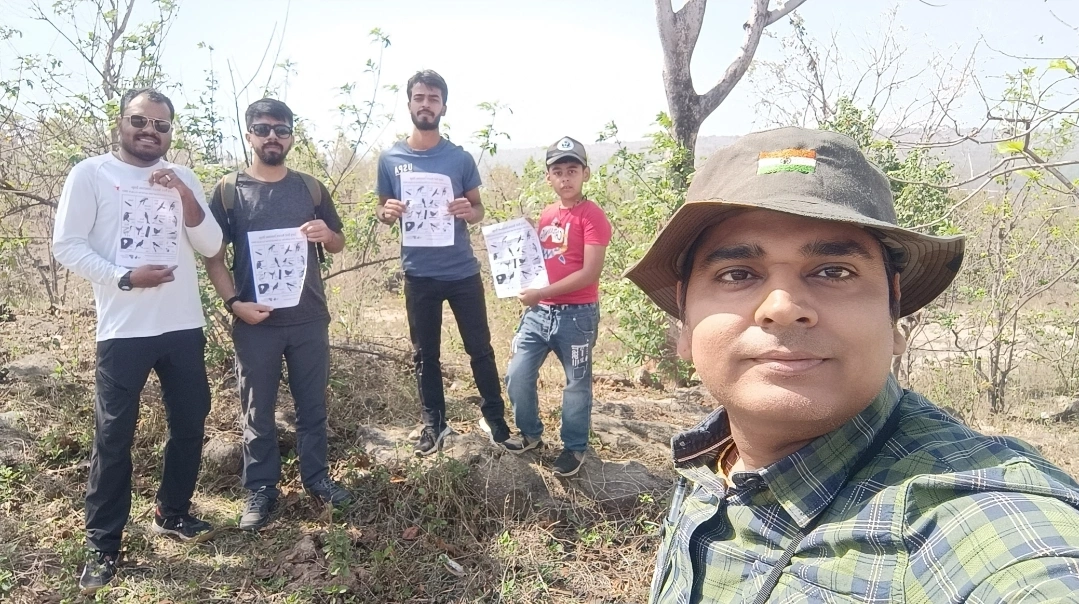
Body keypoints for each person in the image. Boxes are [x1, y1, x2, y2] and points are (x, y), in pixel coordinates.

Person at [624, 127, 1079, 602]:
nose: (782, 307)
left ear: (893, 312)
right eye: (736, 274)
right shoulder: (712, 458)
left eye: (833, 271)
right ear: (685, 323)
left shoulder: (971, 515)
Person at [53, 88, 223, 594]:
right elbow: (66, 245)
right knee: (113, 437)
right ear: (121, 123)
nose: (150, 131)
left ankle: (172, 512)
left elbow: (212, 244)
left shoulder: (183, 176)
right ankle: (102, 545)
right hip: (124, 329)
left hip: (183, 325)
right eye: (140, 121)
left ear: (170, 131)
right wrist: (125, 278)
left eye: (161, 125)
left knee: (190, 421)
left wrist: (184, 194)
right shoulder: (90, 174)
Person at [204, 98, 351, 531]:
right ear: (249, 134)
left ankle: (317, 479)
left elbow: (338, 243)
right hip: (256, 322)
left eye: (281, 130)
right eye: (263, 129)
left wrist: (327, 234)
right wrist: (234, 304)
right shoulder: (229, 191)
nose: (273, 137)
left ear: (291, 136)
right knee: (257, 410)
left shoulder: (310, 187)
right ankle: (261, 489)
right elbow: (214, 257)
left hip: (309, 317)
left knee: (313, 407)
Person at [375, 69, 512, 456]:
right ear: (409, 104)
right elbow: (382, 210)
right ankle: (433, 424)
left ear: (443, 107)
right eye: (419, 98)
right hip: (419, 274)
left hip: (462, 272)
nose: (426, 105)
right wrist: (387, 212)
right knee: (425, 355)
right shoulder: (390, 159)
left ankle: (496, 420)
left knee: (480, 349)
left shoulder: (459, 158)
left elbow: (478, 209)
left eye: (433, 99)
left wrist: (469, 210)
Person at [502, 137, 611, 477]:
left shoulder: (592, 216)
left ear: (585, 174)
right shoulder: (548, 215)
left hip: (577, 317)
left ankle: (574, 447)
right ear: (548, 177)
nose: (566, 178)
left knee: (576, 384)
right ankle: (530, 435)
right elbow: (536, 262)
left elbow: (589, 273)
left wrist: (543, 292)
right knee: (517, 373)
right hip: (537, 314)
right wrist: (521, 240)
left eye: (572, 171)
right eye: (558, 171)